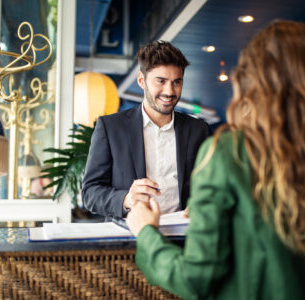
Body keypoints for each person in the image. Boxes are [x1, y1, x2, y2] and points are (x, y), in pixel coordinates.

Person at [126, 21, 305, 299]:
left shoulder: (227, 153)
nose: (170, 89)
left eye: (176, 81)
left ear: (254, 80)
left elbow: (196, 280)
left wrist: (147, 234)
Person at [82, 40, 210, 218]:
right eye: (161, 81)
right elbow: (90, 193)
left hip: (185, 240)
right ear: (142, 81)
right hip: (129, 240)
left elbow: (211, 188)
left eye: (176, 82)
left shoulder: (199, 130)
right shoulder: (111, 128)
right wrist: (126, 199)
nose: (170, 91)